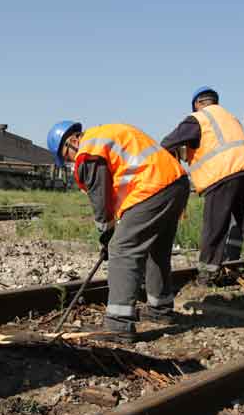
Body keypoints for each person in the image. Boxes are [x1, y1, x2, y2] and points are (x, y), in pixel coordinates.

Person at [47, 121, 189, 341]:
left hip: (152, 187)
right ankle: (160, 310)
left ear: (73, 141)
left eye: (66, 156)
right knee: (157, 250)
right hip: (176, 183)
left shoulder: (88, 150)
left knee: (122, 249)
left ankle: (118, 324)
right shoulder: (105, 135)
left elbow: (100, 198)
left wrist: (107, 234)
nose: (70, 162)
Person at [160, 86, 244, 286]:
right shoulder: (230, 118)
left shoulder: (198, 118)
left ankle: (207, 275)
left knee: (215, 227)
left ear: (197, 104)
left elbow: (166, 143)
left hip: (221, 175)